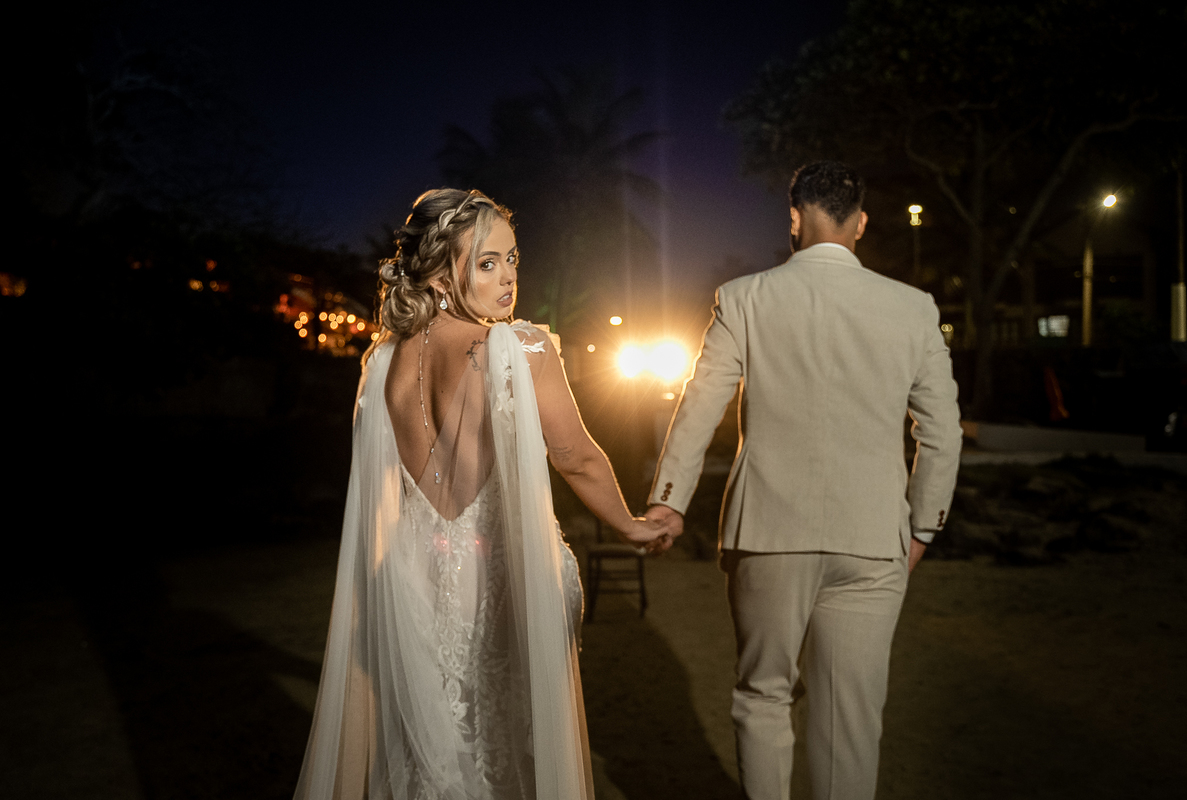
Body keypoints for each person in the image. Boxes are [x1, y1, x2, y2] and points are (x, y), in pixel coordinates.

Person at [293, 188, 667, 800]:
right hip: (494, 579)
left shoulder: (380, 362)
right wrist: (630, 525)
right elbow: (574, 455)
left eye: (513, 258)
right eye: (488, 263)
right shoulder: (522, 348)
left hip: (406, 578)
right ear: (440, 274)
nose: (509, 277)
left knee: (425, 752)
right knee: (501, 745)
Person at [644, 161, 962, 800]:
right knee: (850, 718)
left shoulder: (744, 297)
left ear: (794, 218)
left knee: (763, 697)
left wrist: (668, 501)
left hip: (768, 529)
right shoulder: (912, 308)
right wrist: (922, 526)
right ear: (861, 223)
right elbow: (943, 432)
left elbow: (700, 403)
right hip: (874, 538)